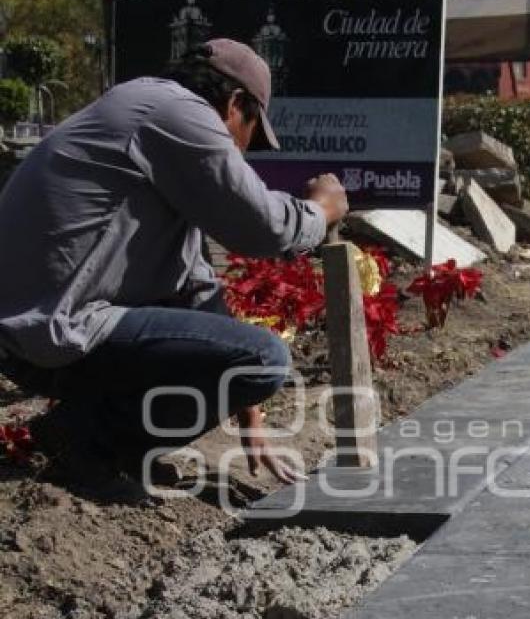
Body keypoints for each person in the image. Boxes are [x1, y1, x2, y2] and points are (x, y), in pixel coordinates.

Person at [0, 38, 349, 486]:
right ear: (234, 103)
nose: (242, 153)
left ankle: (102, 440)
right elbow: (266, 229)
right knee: (266, 358)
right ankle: (88, 443)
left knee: (244, 358)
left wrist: (252, 419)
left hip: (33, 330)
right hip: (50, 329)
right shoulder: (178, 114)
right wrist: (321, 211)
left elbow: (197, 290)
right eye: (251, 135)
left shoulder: (148, 116)